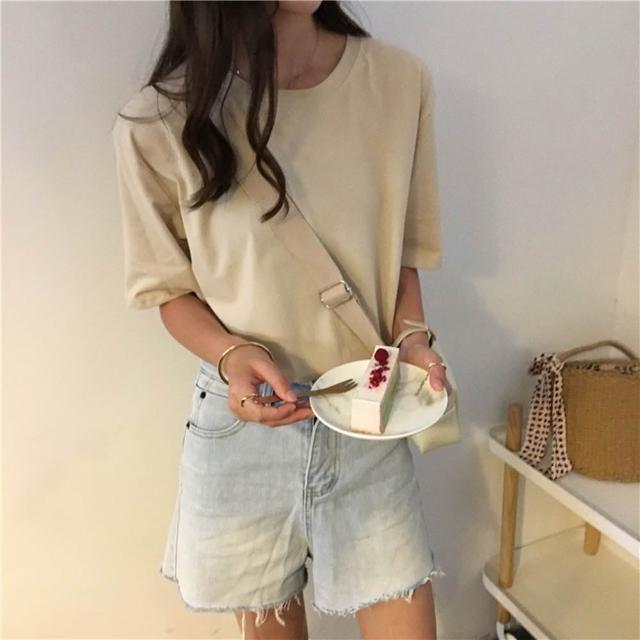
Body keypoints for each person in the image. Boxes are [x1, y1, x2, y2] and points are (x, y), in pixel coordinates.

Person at [112, 1, 452, 638]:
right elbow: (169, 290)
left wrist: (412, 338)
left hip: (366, 411)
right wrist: (230, 354)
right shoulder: (160, 120)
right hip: (245, 427)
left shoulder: (398, 83)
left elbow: (402, 251)